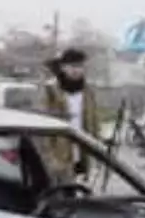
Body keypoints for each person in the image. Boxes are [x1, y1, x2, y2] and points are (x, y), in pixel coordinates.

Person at [39, 48, 101, 182]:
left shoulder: (88, 91)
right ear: (63, 67)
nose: (76, 70)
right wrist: (50, 158)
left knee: (81, 191)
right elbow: (42, 127)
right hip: (60, 153)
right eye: (72, 66)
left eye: (79, 66)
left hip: (82, 149)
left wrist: (97, 146)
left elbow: (94, 121)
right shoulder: (51, 90)